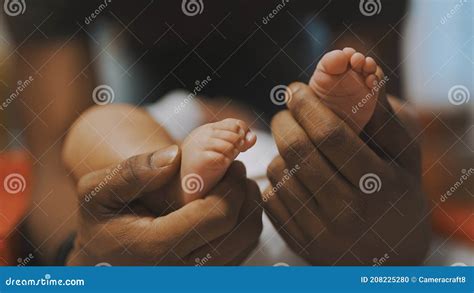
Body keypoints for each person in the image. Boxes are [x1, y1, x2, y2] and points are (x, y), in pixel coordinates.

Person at [4, 0, 429, 265]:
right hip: (174, 125)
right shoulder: (178, 114)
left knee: (371, 130)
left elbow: (394, 142)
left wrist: (395, 232)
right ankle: (170, 185)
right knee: (99, 126)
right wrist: (80, 260)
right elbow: (55, 147)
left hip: (285, 151)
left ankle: (344, 128)